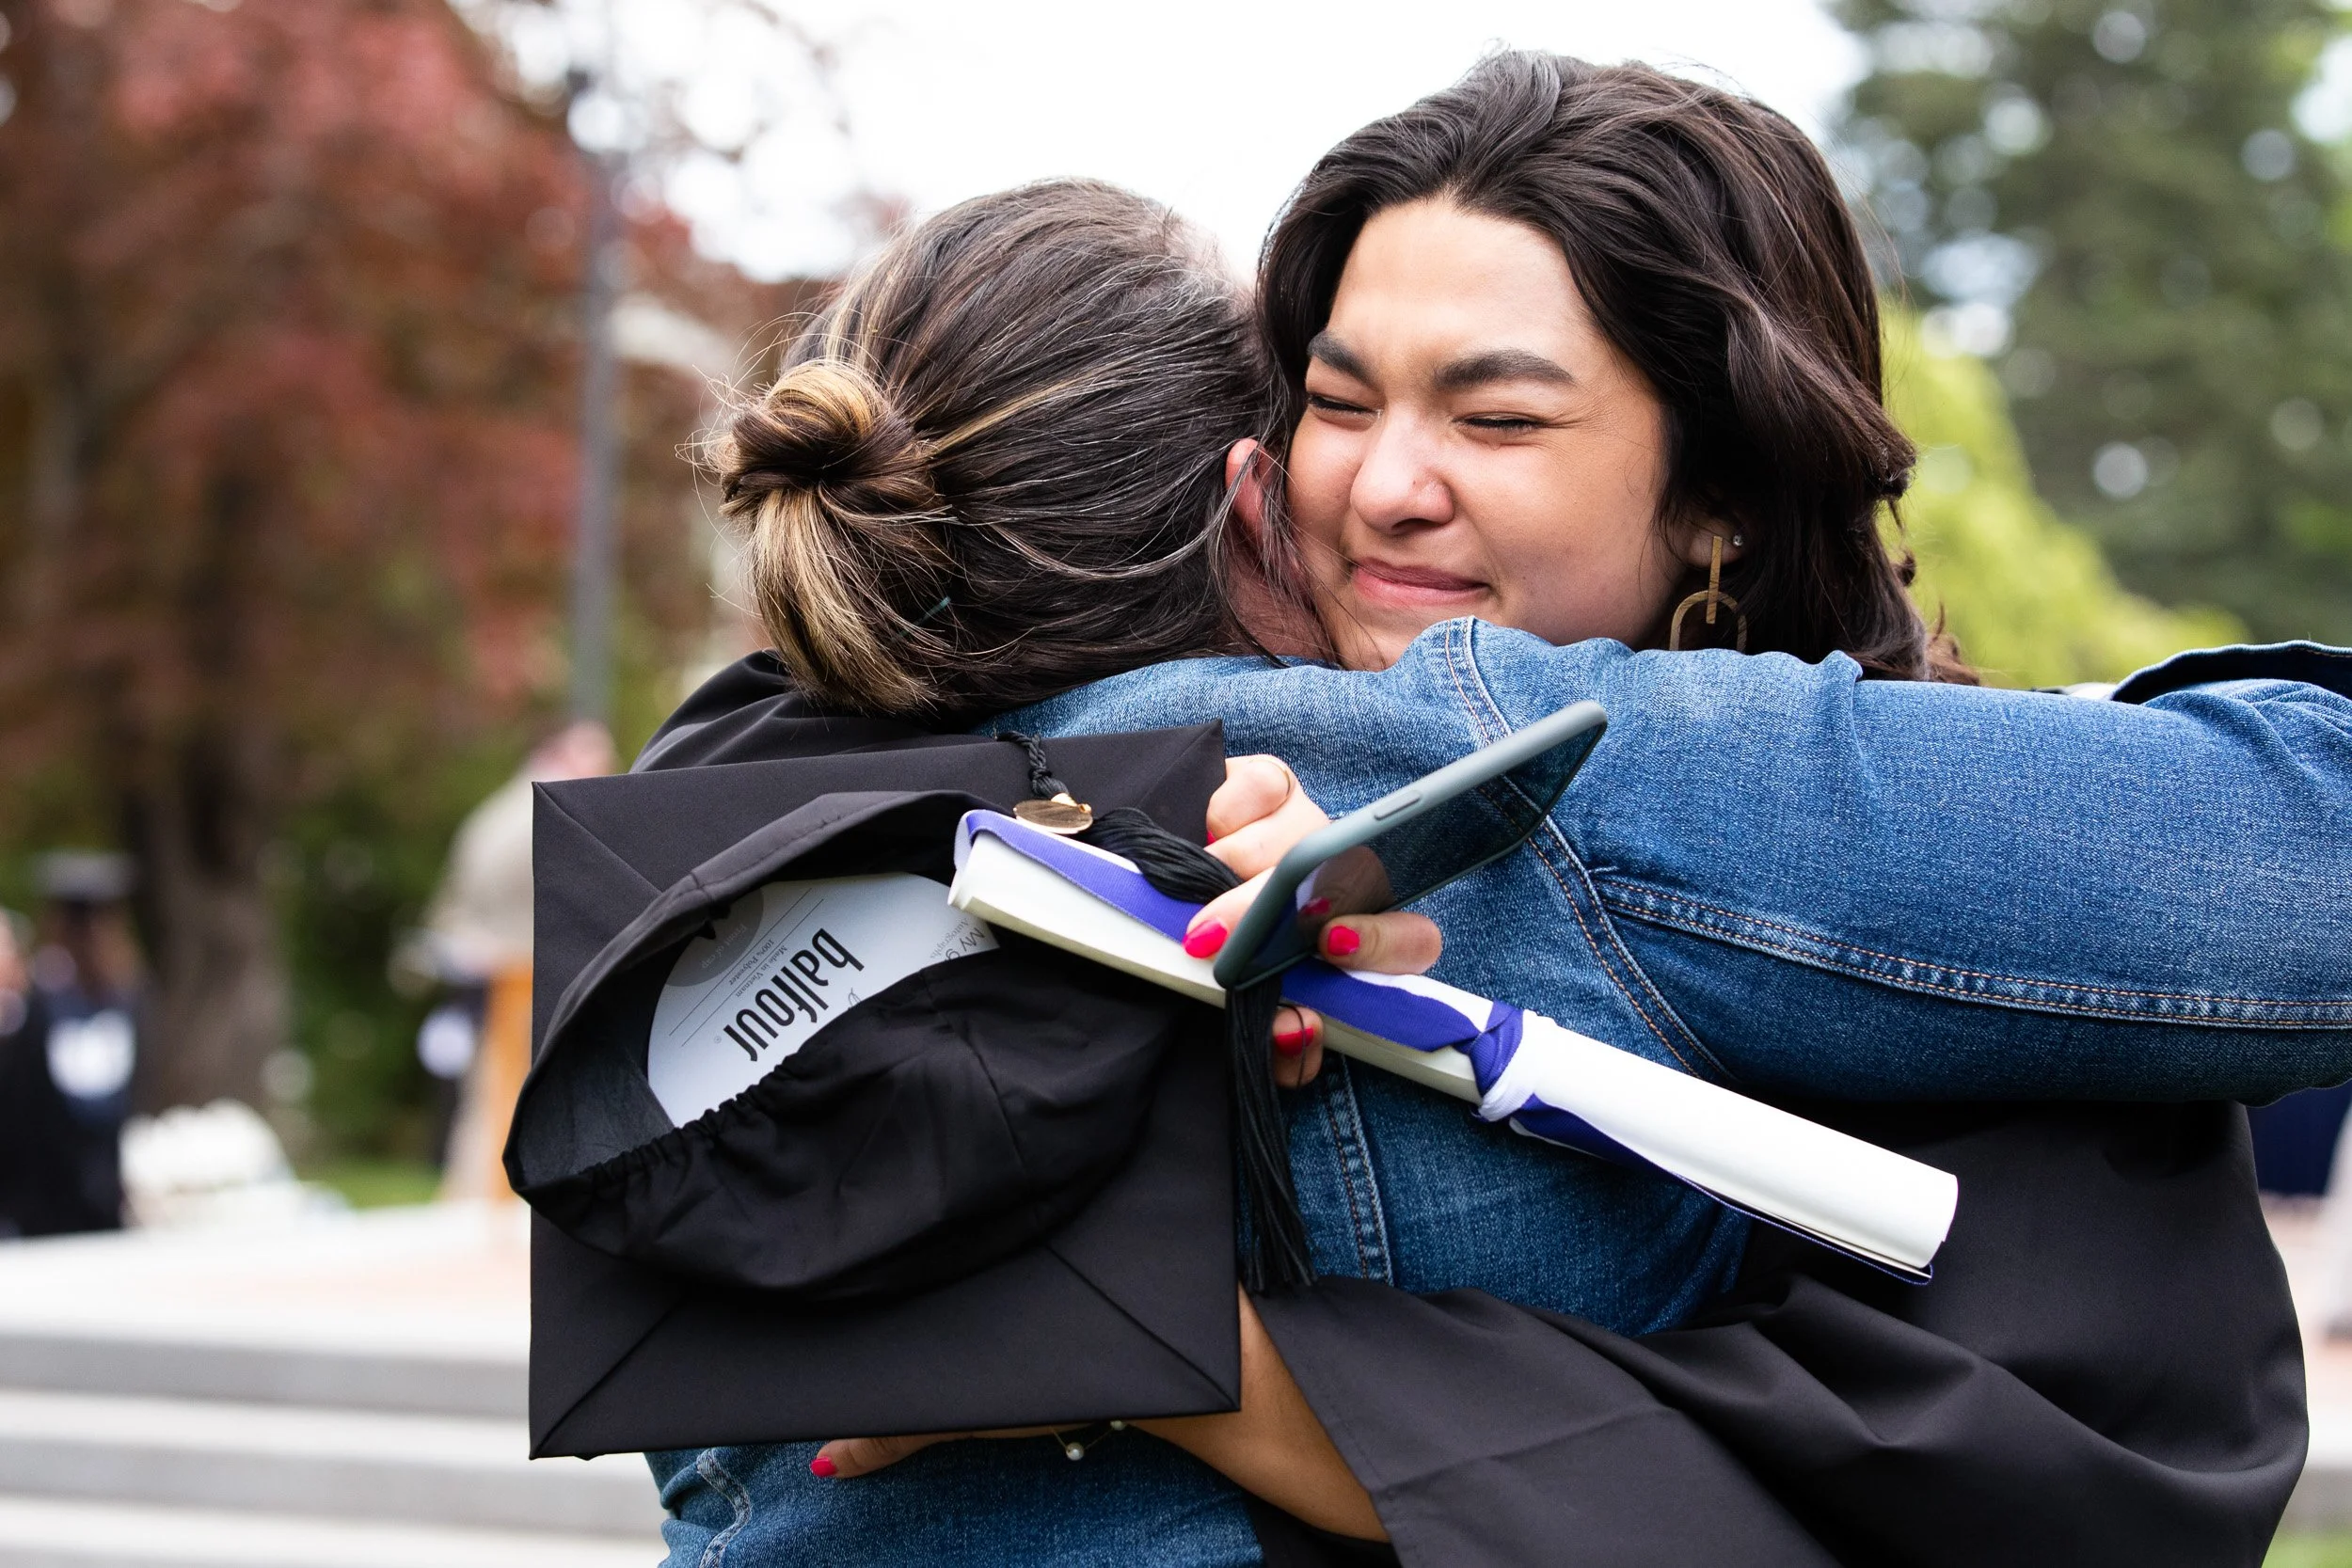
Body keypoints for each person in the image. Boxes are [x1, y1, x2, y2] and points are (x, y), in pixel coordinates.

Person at [637, 61, 2347, 1567]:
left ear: (1723, 492)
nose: (1387, 483)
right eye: (1336, 399)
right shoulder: (1521, 768)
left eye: (1500, 413)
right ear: (1247, 463)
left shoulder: (705, 844)